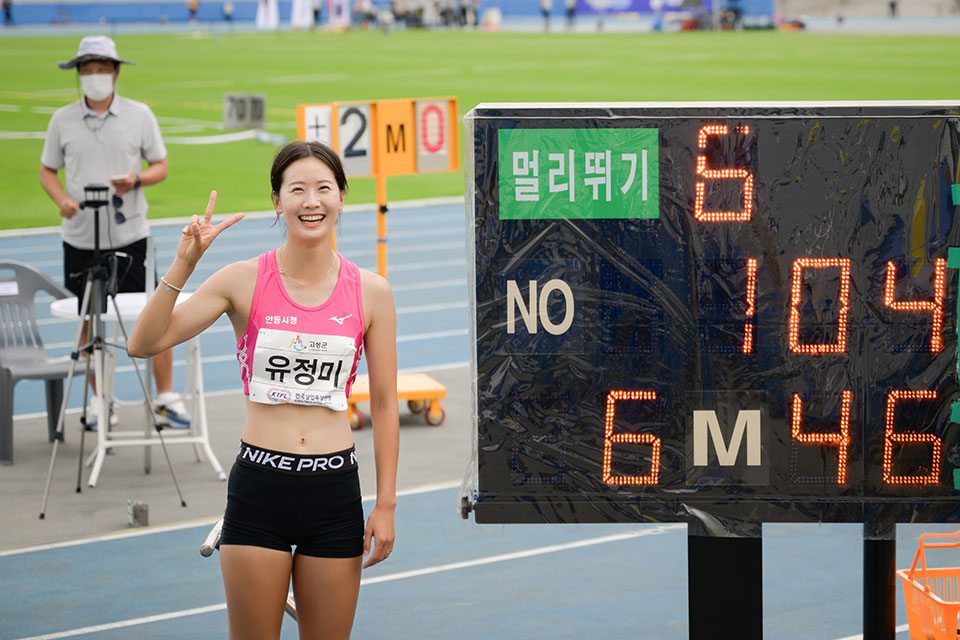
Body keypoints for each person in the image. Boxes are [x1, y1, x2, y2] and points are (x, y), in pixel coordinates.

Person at [127, 141, 399, 639]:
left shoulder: (372, 292)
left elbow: (383, 404)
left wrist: (385, 503)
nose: (310, 201)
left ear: (341, 197)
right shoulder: (243, 280)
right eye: (296, 189)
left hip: (334, 491)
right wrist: (185, 263)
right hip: (259, 490)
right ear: (277, 201)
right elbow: (143, 344)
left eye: (323, 188)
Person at [38, 35, 190, 431]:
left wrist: (136, 179)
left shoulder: (140, 115)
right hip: (80, 236)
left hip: (130, 235)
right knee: (90, 320)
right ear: (78, 75)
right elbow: (46, 171)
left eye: (101, 68)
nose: (94, 76)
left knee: (154, 314)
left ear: (116, 72)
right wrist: (61, 200)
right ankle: (101, 400)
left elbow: (161, 166)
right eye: (86, 70)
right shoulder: (62, 120)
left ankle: (164, 397)